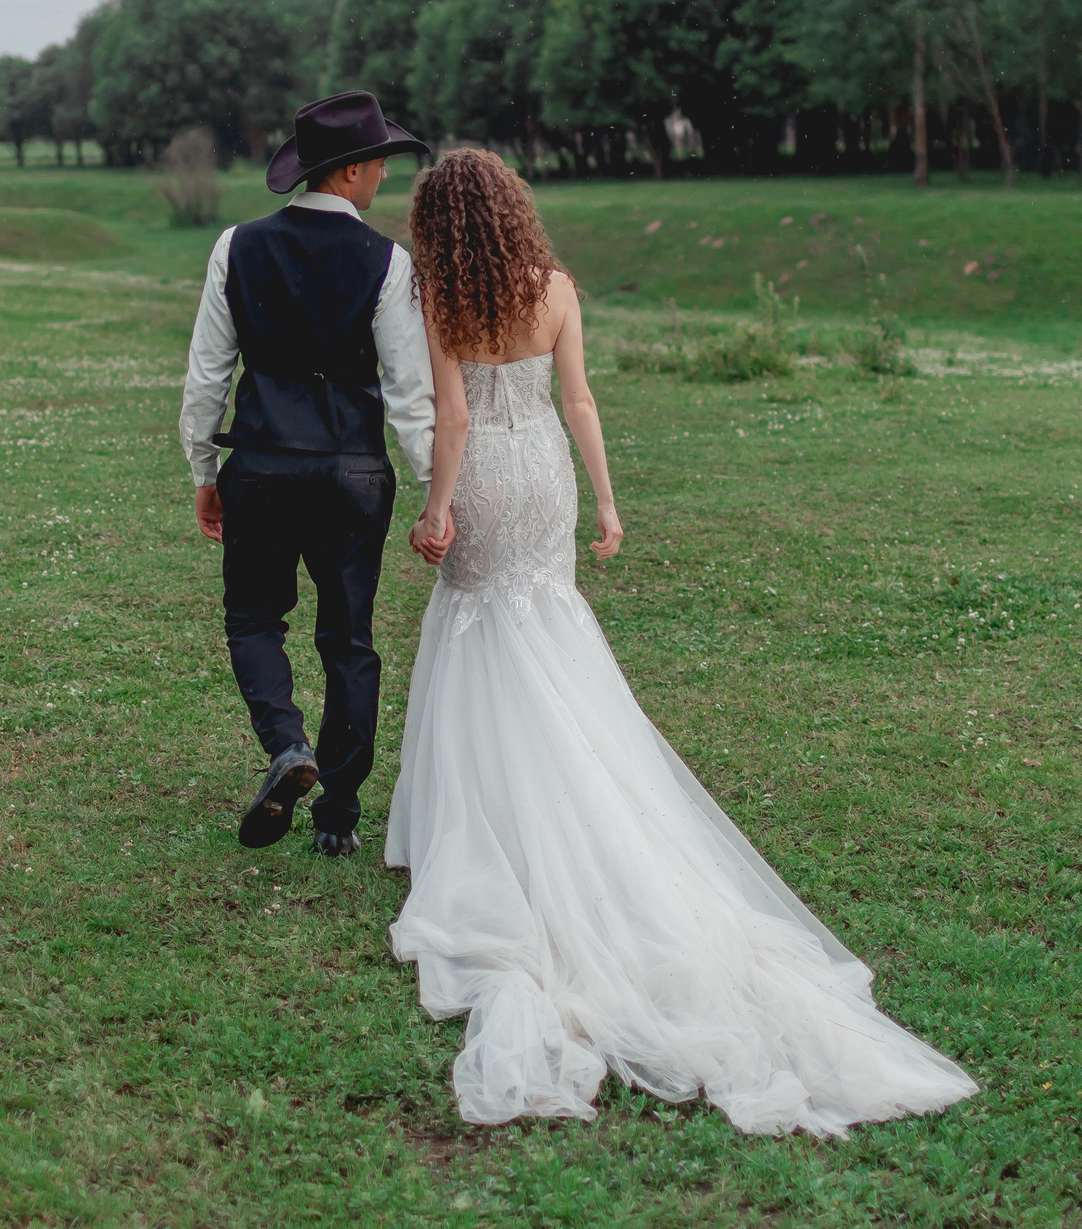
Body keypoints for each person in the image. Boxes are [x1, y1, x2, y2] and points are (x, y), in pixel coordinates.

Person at [385, 148, 978, 1137]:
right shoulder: (556, 288)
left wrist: (438, 507)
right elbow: (579, 402)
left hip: (483, 473)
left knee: (478, 618)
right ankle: (571, 783)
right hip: (545, 477)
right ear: (512, 210)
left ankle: (485, 815)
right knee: (546, 618)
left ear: (438, 224)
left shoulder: (442, 296)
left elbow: (451, 416)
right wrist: (608, 502)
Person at [178, 91, 436, 856]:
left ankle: (287, 744)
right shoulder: (386, 262)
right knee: (348, 638)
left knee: (254, 619)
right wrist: (438, 492)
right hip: (353, 475)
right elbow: (409, 394)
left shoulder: (236, 247)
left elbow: (207, 376)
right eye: (379, 161)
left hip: (260, 466)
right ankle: (338, 815)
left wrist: (204, 470)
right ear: (348, 170)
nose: (385, 173)